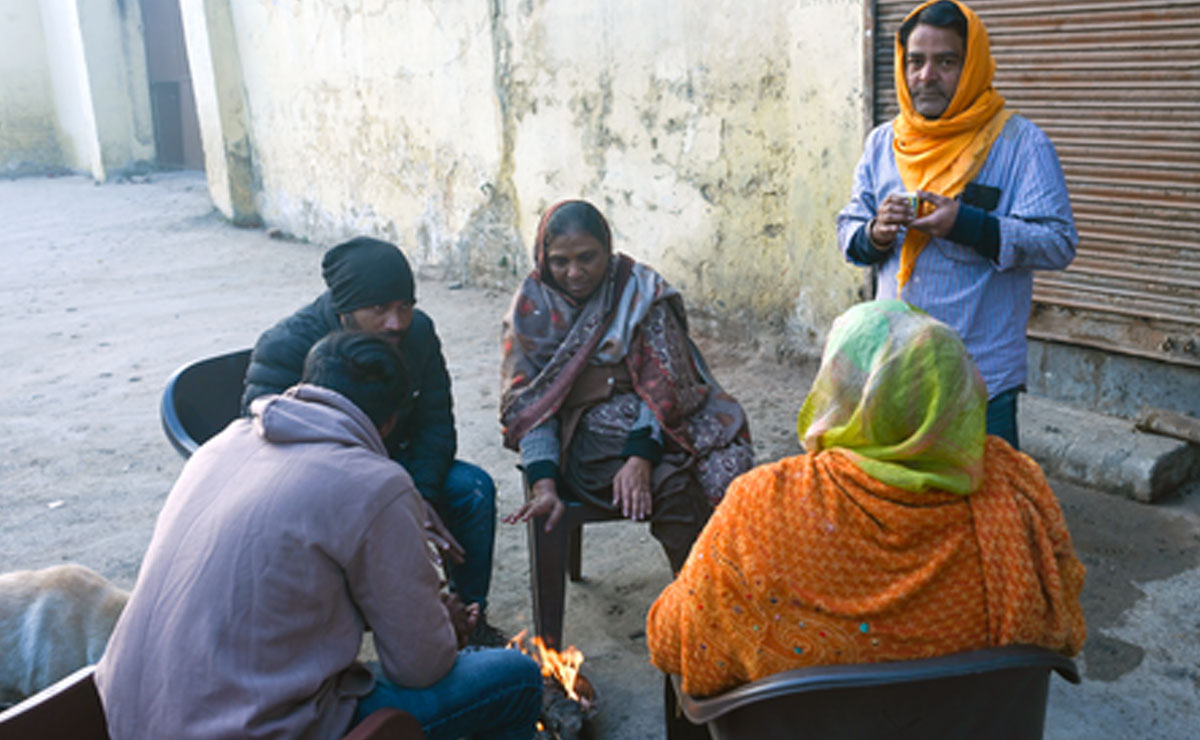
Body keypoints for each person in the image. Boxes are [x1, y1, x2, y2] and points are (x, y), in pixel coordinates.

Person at [96, 332, 543, 740]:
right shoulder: (374, 483)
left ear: (308, 382)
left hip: (127, 716)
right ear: (389, 423)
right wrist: (441, 628)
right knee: (516, 678)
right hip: (244, 729)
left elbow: (284, 585)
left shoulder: (223, 443)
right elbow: (421, 667)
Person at [645, 299, 1087, 699]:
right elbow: (1062, 616)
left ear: (840, 391)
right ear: (961, 390)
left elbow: (672, 640)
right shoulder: (1016, 485)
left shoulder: (763, 505)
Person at [836, 0, 1077, 449]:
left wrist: (969, 225)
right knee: (901, 505)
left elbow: (1058, 242)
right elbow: (848, 231)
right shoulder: (883, 144)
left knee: (982, 509)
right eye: (916, 62)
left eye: (946, 62)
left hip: (979, 376)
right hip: (895, 367)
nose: (926, 76)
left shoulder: (1020, 144)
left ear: (972, 66)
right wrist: (875, 233)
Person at [242, 236, 504, 646]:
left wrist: (420, 493)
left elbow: (436, 423)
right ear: (345, 309)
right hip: (320, 485)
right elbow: (263, 443)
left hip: (397, 466)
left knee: (473, 491)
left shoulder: (418, 333)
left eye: (405, 306)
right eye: (379, 309)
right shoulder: (287, 346)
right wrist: (394, 504)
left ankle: (469, 618)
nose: (396, 323)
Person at [499, 199, 754, 574]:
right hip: (582, 442)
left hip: (660, 422)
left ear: (608, 250)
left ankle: (725, 587)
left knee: (731, 470)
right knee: (676, 488)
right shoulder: (531, 312)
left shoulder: (637, 291)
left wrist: (640, 456)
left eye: (587, 257)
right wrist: (544, 484)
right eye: (560, 261)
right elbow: (533, 406)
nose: (574, 272)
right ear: (543, 258)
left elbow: (665, 385)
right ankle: (698, 604)